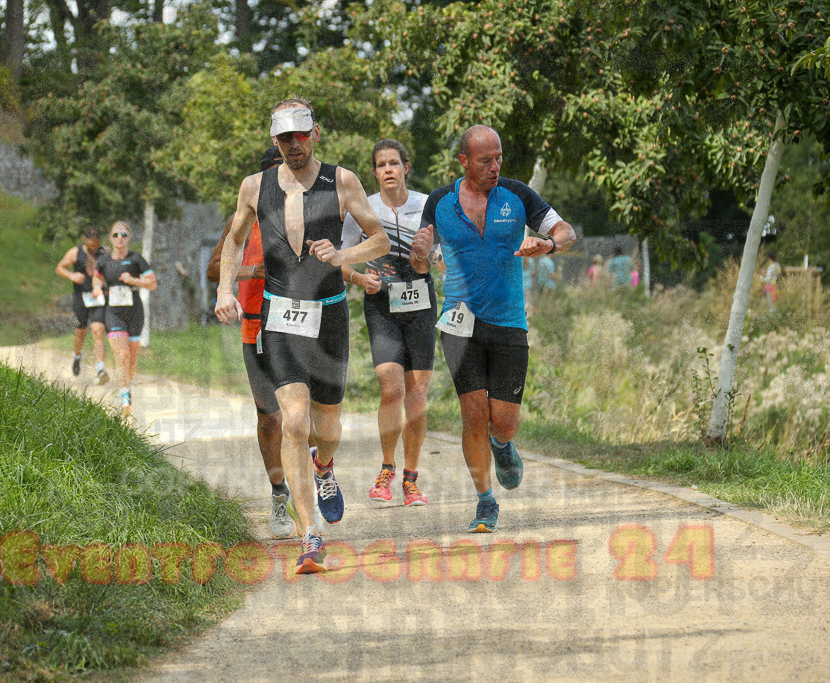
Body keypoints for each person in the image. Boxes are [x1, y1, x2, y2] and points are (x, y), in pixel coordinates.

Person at [214, 97, 390, 574]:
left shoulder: (343, 181)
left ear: (315, 133)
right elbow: (233, 239)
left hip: (329, 316)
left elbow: (380, 239)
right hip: (279, 318)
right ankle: (310, 534)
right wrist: (225, 289)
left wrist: (343, 256)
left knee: (326, 429)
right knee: (294, 422)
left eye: (300, 135)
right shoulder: (255, 186)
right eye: (284, 138)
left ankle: (325, 467)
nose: (293, 145)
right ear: (274, 140)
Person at [422, 124, 576, 533]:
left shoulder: (519, 196)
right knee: (473, 414)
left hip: (508, 321)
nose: (495, 167)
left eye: (499, 158)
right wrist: (423, 254)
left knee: (502, 421)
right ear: (464, 161)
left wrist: (549, 245)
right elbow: (422, 250)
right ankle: (485, 501)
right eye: (486, 160)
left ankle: (502, 444)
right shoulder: (439, 201)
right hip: (458, 323)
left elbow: (567, 231)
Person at [207, 145, 300, 539]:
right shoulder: (242, 217)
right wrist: (252, 270)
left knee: (304, 413)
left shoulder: (307, 210)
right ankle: (280, 493)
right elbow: (214, 270)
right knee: (270, 417)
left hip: (299, 322)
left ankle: (315, 474)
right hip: (256, 326)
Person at [340, 139, 438, 508]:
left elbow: (432, 261)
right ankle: (386, 469)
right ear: (375, 171)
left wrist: (423, 258)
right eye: (381, 165)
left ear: (406, 167)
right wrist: (360, 279)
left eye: (394, 163)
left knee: (416, 396)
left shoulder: (427, 205)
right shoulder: (362, 209)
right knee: (390, 387)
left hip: (421, 301)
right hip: (381, 303)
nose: (388, 170)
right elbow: (338, 258)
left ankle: (411, 481)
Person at [91, 222, 157, 417]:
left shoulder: (136, 259)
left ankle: (127, 384)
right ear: (110, 238)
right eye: (116, 234)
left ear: (128, 238)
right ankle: (125, 399)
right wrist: (96, 287)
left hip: (135, 313)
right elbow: (97, 277)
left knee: (132, 359)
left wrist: (133, 280)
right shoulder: (103, 260)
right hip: (114, 313)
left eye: (124, 234)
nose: (120, 238)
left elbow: (152, 283)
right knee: (122, 356)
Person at [55, 225, 109, 384]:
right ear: (85, 241)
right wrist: (71, 275)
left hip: (97, 297)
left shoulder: (104, 252)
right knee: (81, 331)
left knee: (98, 330)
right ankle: (77, 356)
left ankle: (100, 369)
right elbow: (59, 268)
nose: (93, 247)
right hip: (80, 297)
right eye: (90, 244)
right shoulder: (75, 252)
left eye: (96, 244)